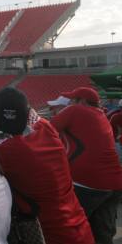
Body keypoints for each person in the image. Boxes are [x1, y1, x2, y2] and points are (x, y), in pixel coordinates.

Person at [0, 87, 94, 244]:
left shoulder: (5, 151)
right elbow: (34, 119)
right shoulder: (47, 129)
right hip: (80, 229)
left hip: (51, 236)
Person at [51, 86, 122, 244]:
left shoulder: (75, 110)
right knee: (103, 234)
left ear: (81, 102)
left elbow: (45, 130)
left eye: (73, 100)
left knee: (74, 232)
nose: (70, 104)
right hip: (115, 183)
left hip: (88, 183)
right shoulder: (102, 115)